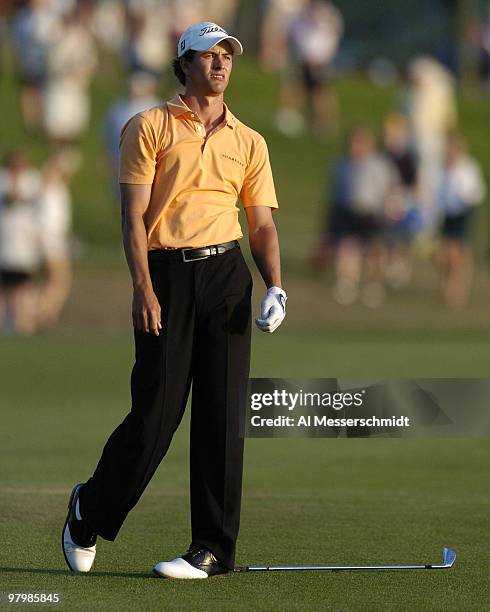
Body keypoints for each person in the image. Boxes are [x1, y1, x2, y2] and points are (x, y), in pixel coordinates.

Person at [62, 21, 287, 579]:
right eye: (208, 56)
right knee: (156, 414)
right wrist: (142, 286)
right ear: (182, 64)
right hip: (167, 274)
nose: (219, 65)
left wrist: (276, 286)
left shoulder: (249, 140)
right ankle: (90, 509)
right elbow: (132, 217)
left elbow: (260, 225)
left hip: (228, 276)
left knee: (223, 416)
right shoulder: (149, 127)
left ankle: (212, 550)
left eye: (226, 56)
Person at [436, 134, 486, 309]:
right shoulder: (441, 168)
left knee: (457, 255)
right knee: (443, 255)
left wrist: (465, 199)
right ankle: (451, 282)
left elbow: (476, 192)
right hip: (446, 214)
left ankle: (456, 290)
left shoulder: (468, 168)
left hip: (462, 214)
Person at [0, 150, 43, 335]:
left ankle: (22, 325)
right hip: (5, 246)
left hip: (24, 248)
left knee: (23, 289)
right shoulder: (3, 180)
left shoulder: (32, 181)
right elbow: (11, 198)